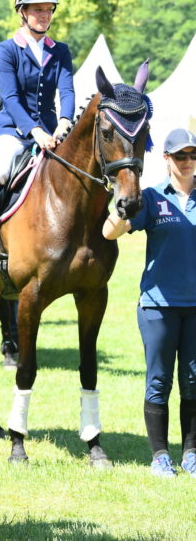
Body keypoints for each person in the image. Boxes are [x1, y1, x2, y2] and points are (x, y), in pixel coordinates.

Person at [0, 0, 75, 266]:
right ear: (23, 12)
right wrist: (34, 131)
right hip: (14, 129)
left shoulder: (60, 51)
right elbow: (10, 98)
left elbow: (68, 91)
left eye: (49, 10)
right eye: (38, 10)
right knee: (0, 170)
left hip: (51, 130)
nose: (45, 16)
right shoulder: (7, 50)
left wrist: (64, 121)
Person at [103, 128, 196, 478]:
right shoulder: (153, 198)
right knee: (159, 381)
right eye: (181, 156)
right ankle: (160, 456)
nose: (188, 162)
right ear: (167, 159)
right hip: (158, 306)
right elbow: (108, 233)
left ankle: (190, 454)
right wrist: (122, 209)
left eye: (193, 155)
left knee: (193, 380)